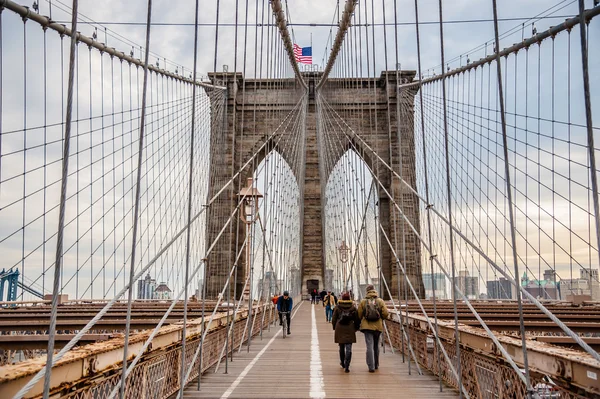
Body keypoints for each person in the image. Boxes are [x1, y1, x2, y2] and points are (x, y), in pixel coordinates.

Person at [357, 284, 389, 372]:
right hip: (378, 327)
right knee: (376, 346)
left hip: (367, 327)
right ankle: (376, 365)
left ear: (367, 291)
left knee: (369, 346)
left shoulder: (363, 301)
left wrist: (361, 321)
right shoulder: (380, 301)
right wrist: (380, 318)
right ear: (374, 290)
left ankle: (371, 367)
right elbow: (385, 314)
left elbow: (359, 315)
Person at [332, 292, 360, 373]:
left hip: (340, 328)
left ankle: (343, 363)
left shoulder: (338, 307)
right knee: (349, 347)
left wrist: (334, 327)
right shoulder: (353, 307)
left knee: (341, 347)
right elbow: (357, 319)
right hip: (350, 328)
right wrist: (356, 328)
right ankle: (347, 365)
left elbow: (334, 318)